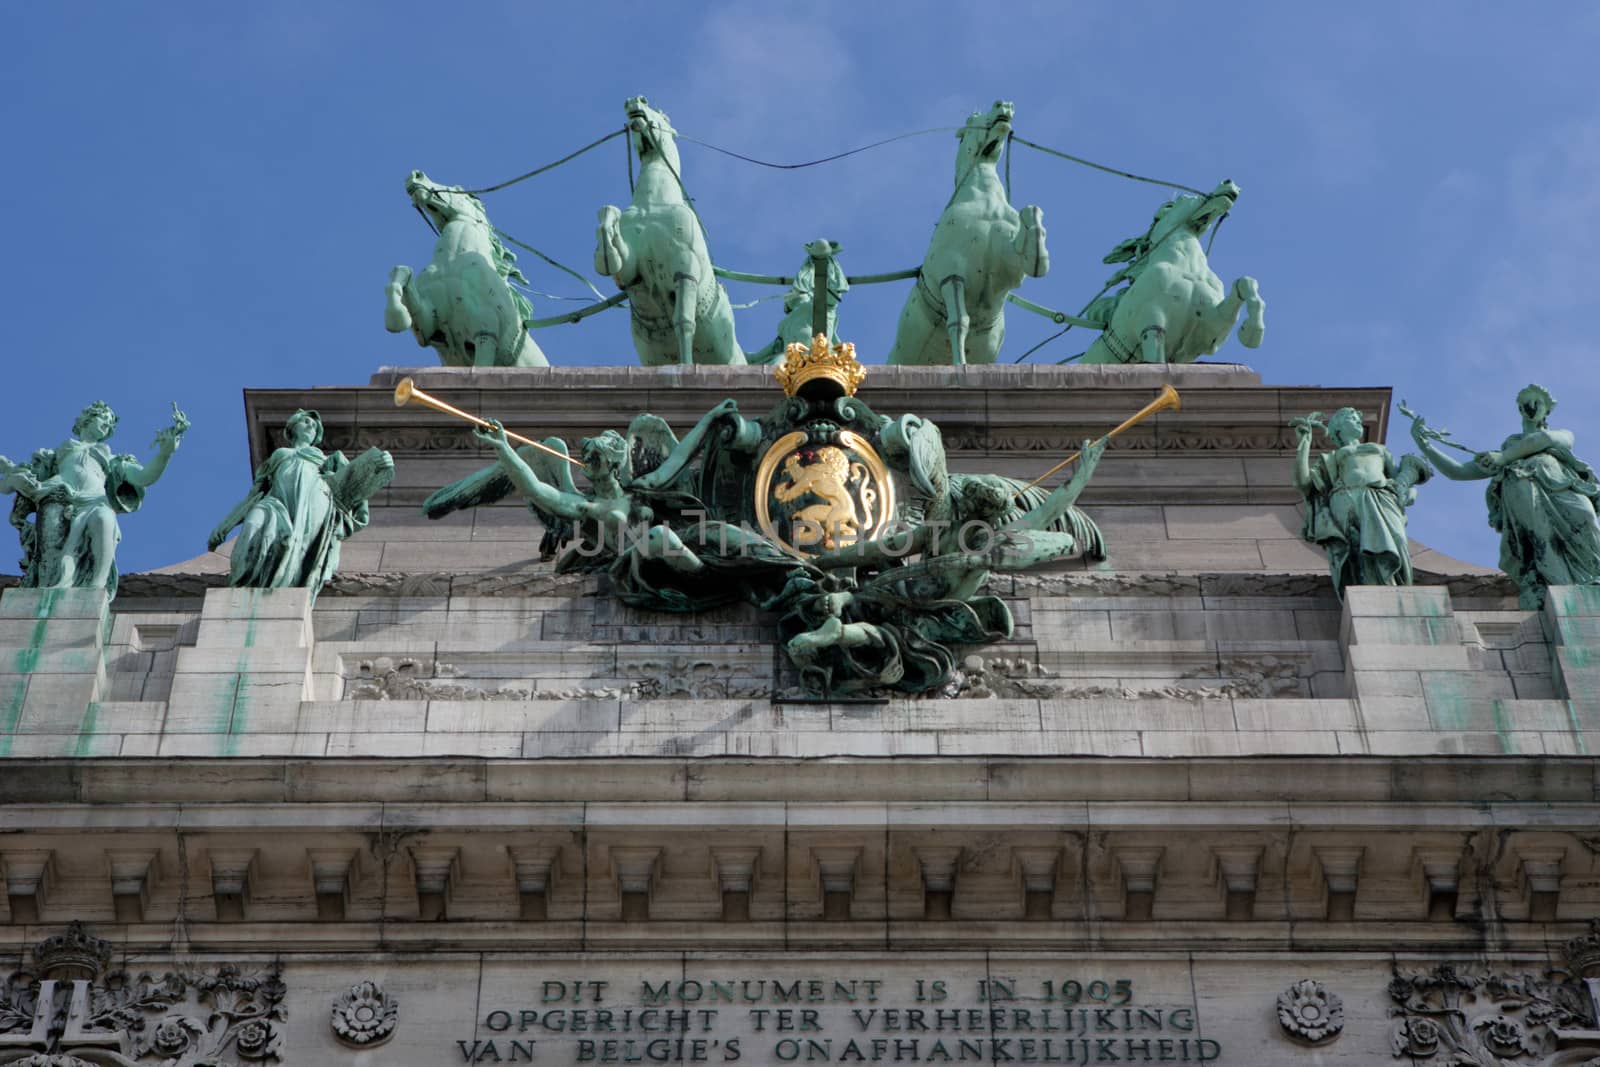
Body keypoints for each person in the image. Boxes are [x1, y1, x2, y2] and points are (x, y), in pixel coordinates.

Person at [1409, 385, 1600, 608]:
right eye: (1526, 402)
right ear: (1520, 409)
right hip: (1523, 494)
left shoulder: (1562, 436)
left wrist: (1503, 457)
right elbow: (1458, 471)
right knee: (1542, 541)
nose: (1532, 406)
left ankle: (1591, 577)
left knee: (1586, 519)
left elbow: (1542, 439)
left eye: (1538, 402)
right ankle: (1556, 589)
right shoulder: (1507, 447)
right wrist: (1425, 445)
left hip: (1561, 489)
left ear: (1547, 410)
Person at [0, 400, 187, 594]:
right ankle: (48, 593)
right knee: (53, 556)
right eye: (103, 418)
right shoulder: (56, 454)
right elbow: (23, 479)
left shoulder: (112, 460)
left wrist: (165, 454)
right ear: (86, 420)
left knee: (105, 521)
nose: (107, 425)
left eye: (110, 424)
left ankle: (95, 591)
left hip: (96, 501)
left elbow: (144, 477)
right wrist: (10, 471)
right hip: (56, 496)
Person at [209, 409, 372, 599]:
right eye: (306, 422)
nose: (310, 426)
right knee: (253, 527)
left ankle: (279, 588)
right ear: (292, 428)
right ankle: (240, 586)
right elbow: (254, 495)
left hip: (309, 508)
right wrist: (226, 525)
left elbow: (349, 488)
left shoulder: (325, 459)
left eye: (314, 426)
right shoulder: (280, 454)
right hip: (275, 504)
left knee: (295, 548)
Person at [1293, 407, 1429, 598]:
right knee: (1358, 552)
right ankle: (1370, 593)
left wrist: (1411, 492)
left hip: (1381, 497)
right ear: (1338, 427)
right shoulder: (1331, 457)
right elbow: (1303, 483)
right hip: (1345, 499)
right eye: (1352, 418)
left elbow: (1400, 479)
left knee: (1396, 539)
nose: (1358, 422)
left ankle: (1395, 586)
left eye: (1358, 419)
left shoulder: (1380, 450)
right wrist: (1305, 442)